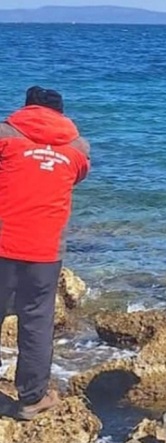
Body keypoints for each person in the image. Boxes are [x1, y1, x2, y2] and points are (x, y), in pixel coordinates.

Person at [0, 86, 91, 420]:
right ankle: (31, 398)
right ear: (61, 113)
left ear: (27, 107)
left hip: (3, 241)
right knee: (36, 322)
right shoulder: (77, 148)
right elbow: (77, 175)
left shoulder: (5, 135)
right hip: (45, 250)